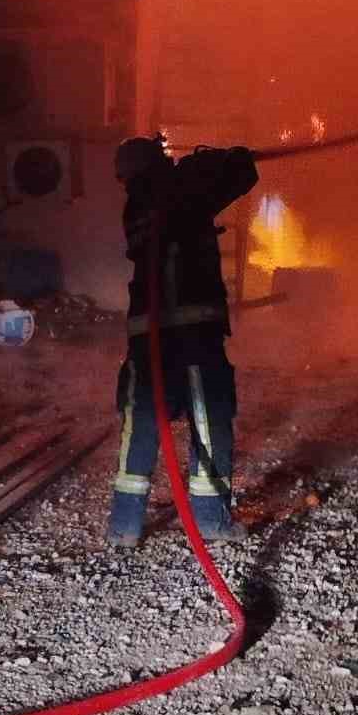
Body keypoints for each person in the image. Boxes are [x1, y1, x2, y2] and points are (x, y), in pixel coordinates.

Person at [107, 134, 258, 548]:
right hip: (193, 335)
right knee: (209, 422)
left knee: (140, 425)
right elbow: (241, 174)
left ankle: (124, 527)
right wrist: (231, 155)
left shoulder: (137, 205)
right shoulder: (183, 189)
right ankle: (210, 522)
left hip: (147, 337)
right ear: (159, 163)